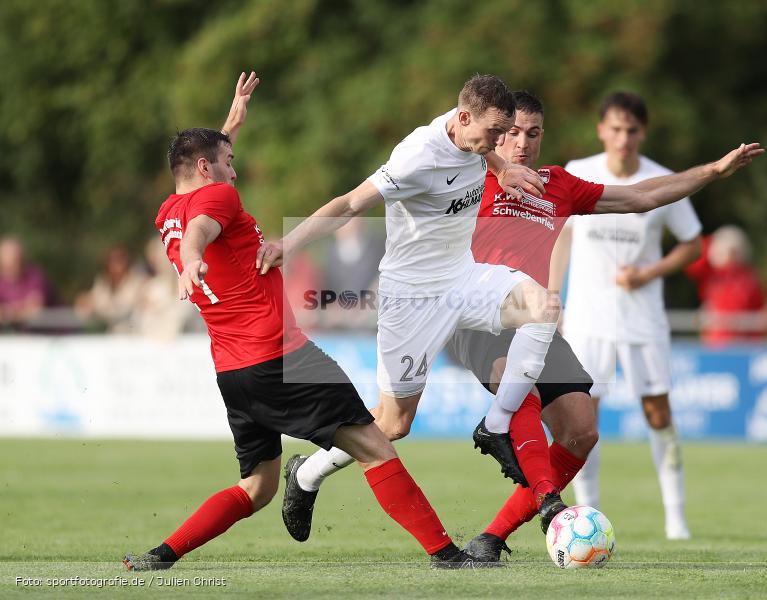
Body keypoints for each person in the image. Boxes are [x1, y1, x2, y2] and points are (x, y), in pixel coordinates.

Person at [123, 72, 493, 571]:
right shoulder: (218, 199)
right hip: (280, 355)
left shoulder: (168, 208)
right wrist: (192, 260)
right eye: (228, 163)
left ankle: (160, 555)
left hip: (233, 372)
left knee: (257, 489)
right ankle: (447, 556)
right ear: (207, 167)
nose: (236, 172)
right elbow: (201, 228)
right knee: (375, 446)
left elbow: (197, 199)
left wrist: (231, 122)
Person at [450, 91, 763, 559]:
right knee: (519, 395)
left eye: (532, 134)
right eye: (512, 133)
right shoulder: (470, 172)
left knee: (582, 431)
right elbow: (450, 136)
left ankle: (491, 538)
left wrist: (712, 172)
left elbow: (642, 196)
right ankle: (550, 503)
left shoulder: (557, 184)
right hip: (483, 319)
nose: (521, 144)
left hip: (537, 322)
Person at [257, 74, 557, 541]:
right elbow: (349, 204)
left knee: (542, 305)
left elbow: (477, 148)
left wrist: (500, 166)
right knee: (392, 425)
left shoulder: (473, 135)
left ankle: (496, 425)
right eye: (495, 134)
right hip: (411, 297)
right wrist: (290, 242)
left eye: (505, 134)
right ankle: (306, 474)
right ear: (462, 118)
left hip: (463, 275)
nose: (501, 142)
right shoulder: (417, 157)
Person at [555, 92, 704, 540]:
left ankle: (675, 517)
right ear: (602, 129)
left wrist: (648, 273)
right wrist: (551, 295)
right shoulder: (580, 173)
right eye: (616, 129)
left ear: (643, 132)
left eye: (632, 130)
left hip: (643, 319)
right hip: (587, 316)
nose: (623, 138)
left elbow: (692, 242)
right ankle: (589, 515)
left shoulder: (662, 181)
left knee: (658, 413)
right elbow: (561, 237)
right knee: (584, 420)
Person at [686, 226, 767, 343]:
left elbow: (763, 311)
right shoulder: (710, 275)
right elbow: (691, 262)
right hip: (715, 342)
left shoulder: (750, 278)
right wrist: (713, 241)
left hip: (743, 344)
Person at [75, 245, 148, 333]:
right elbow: (95, 301)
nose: (116, 265)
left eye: (120, 260)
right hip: (111, 336)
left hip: (133, 335)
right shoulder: (102, 282)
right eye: (112, 261)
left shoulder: (138, 282)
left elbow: (127, 309)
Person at [0, 236, 52, 331]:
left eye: (14, 262)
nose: (9, 268)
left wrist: (9, 313)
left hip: (52, 338)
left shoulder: (35, 276)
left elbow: (35, 311)